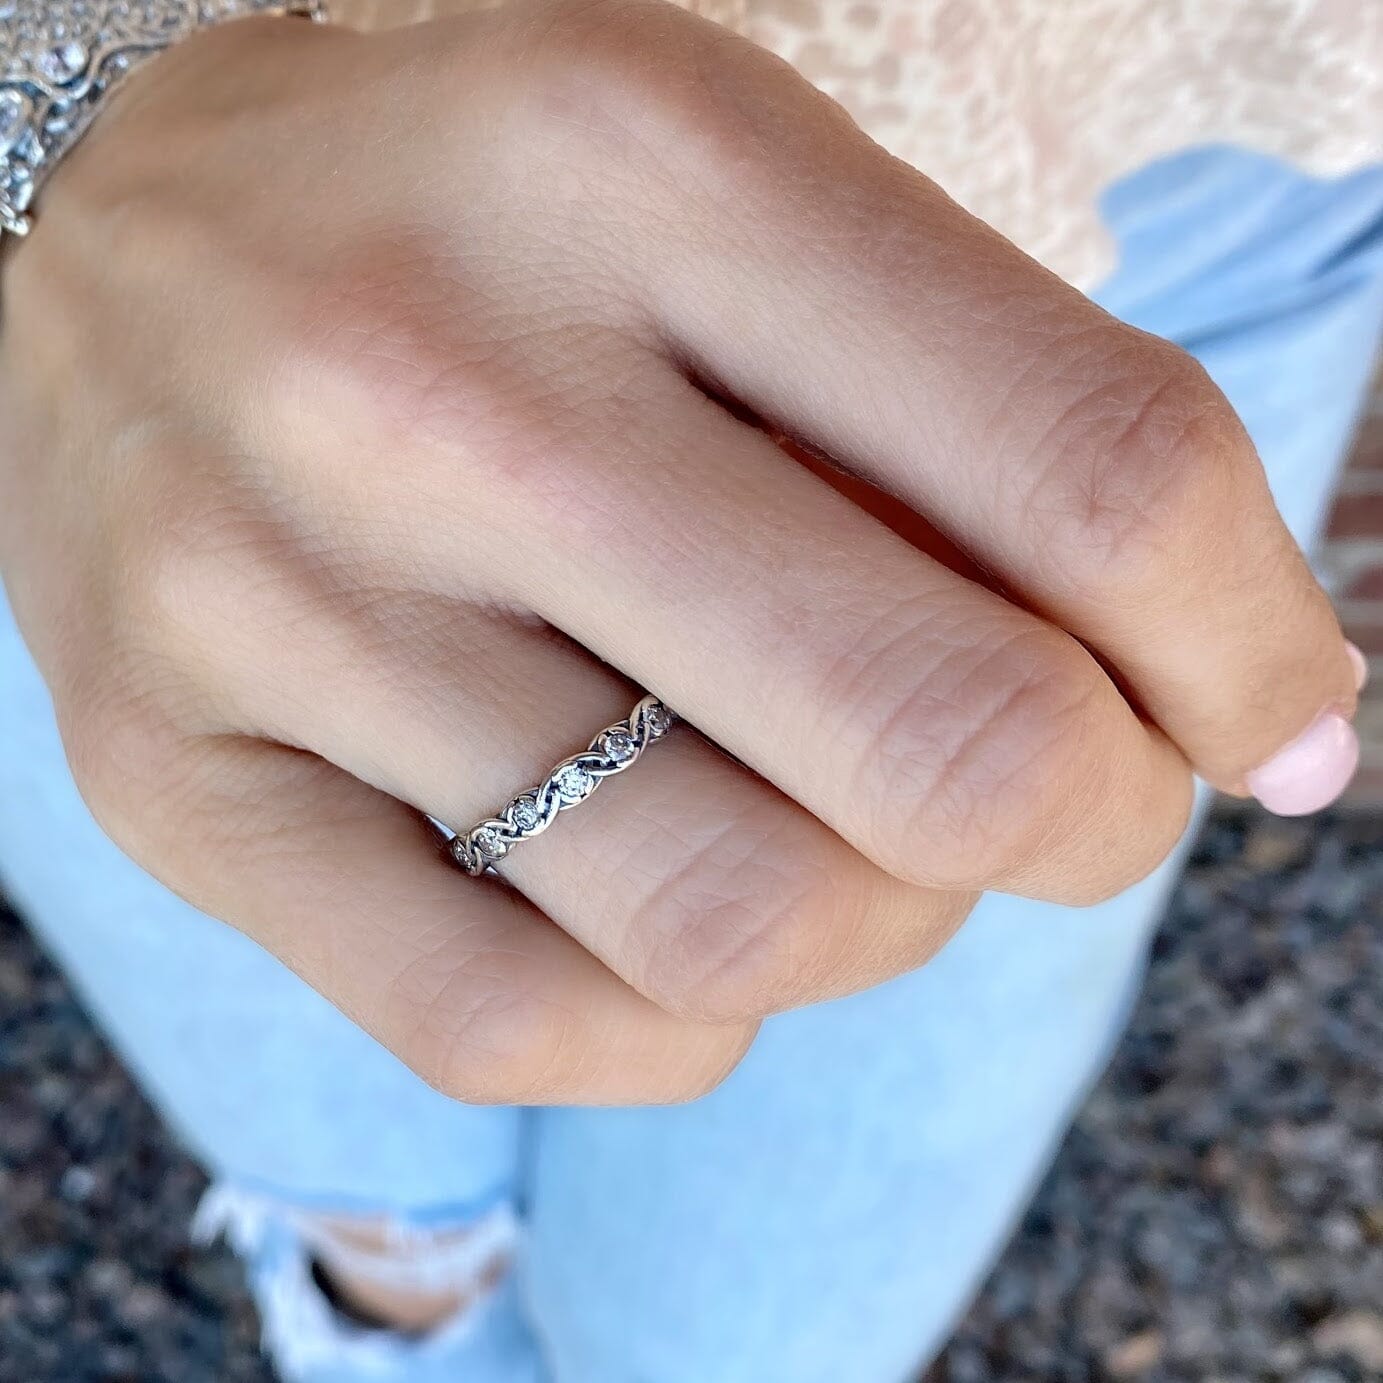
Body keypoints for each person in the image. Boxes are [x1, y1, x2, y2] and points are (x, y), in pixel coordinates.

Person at [0, 0, 1379, 1379]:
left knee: (751, 1336)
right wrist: (66, 110)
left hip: (1176, 171)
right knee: (371, 1155)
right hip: (187, 304)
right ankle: (395, 1313)